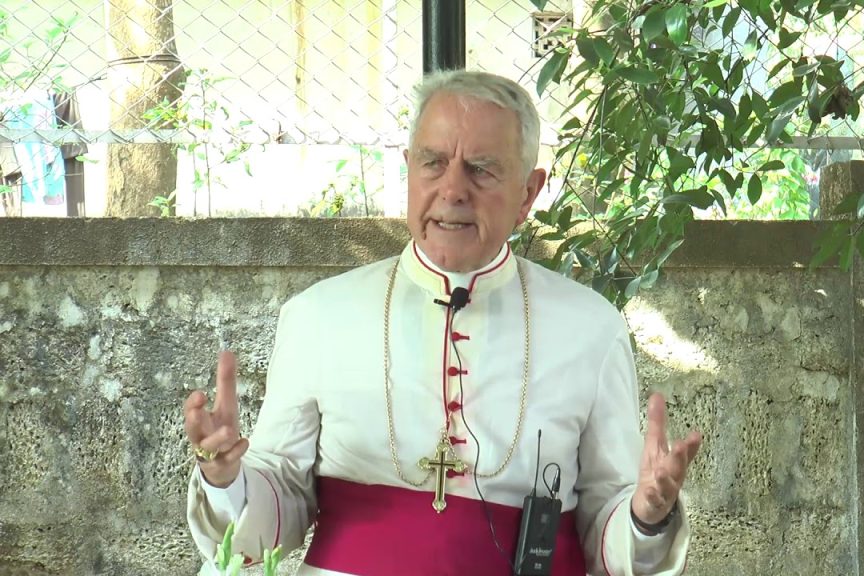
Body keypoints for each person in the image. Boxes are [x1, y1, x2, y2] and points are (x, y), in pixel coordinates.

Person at [183, 70, 702, 576]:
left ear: (528, 193)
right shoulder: (317, 315)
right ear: (409, 170)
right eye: (433, 163)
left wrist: (645, 518)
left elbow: (609, 523)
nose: (453, 189)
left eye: (481, 169)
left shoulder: (591, 328)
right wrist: (225, 477)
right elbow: (277, 514)